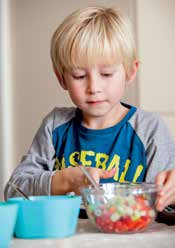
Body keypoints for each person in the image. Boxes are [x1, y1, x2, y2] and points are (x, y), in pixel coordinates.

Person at [4, 6, 175, 217]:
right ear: (61, 78)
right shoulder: (55, 125)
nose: (94, 87)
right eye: (78, 76)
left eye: (106, 73)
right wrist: (63, 181)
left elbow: (165, 209)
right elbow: (13, 190)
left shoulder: (149, 129)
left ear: (130, 72)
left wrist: (170, 193)